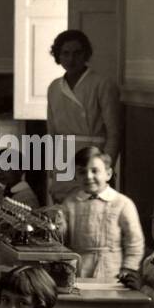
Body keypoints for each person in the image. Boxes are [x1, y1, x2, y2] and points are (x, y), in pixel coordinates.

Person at [45, 29, 121, 200]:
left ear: (86, 54)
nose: (71, 59)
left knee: (90, 207)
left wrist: (105, 168)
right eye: (65, 53)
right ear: (58, 55)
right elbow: (51, 132)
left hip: (92, 158)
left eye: (77, 53)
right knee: (63, 212)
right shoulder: (54, 87)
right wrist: (51, 166)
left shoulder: (102, 84)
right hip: (63, 160)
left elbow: (114, 133)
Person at [60, 147, 144, 281]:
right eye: (82, 172)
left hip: (112, 269)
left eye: (95, 171)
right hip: (78, 268)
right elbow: (62, 237)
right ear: (76, 176)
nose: (88, 177)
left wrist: (128, 268)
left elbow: (134, 241)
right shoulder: (70, 203)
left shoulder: (122, 203)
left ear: (108, 174)